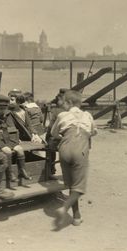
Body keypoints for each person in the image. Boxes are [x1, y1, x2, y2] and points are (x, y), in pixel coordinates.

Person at [49, 89, 97, 227]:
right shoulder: (87, 115)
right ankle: (64, 208)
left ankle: (77, 216)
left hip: (64, 148)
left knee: (71, 185)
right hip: (80, 149)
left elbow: (53, 133)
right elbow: (94, 131)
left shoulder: (62, 115)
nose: (63, 105)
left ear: (69, 103)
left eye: (64, 102)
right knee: (79, 187)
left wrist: (64, 136)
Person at [0, 94, 31, 189]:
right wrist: (0, 144)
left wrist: (14, 142)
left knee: (19, 149)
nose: (3, 111)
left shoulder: (5, 114)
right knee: (8, 151)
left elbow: (7, 130)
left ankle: (22, 170)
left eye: (4, 108)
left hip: (6, 140)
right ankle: (10, 174)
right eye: (0, 108)